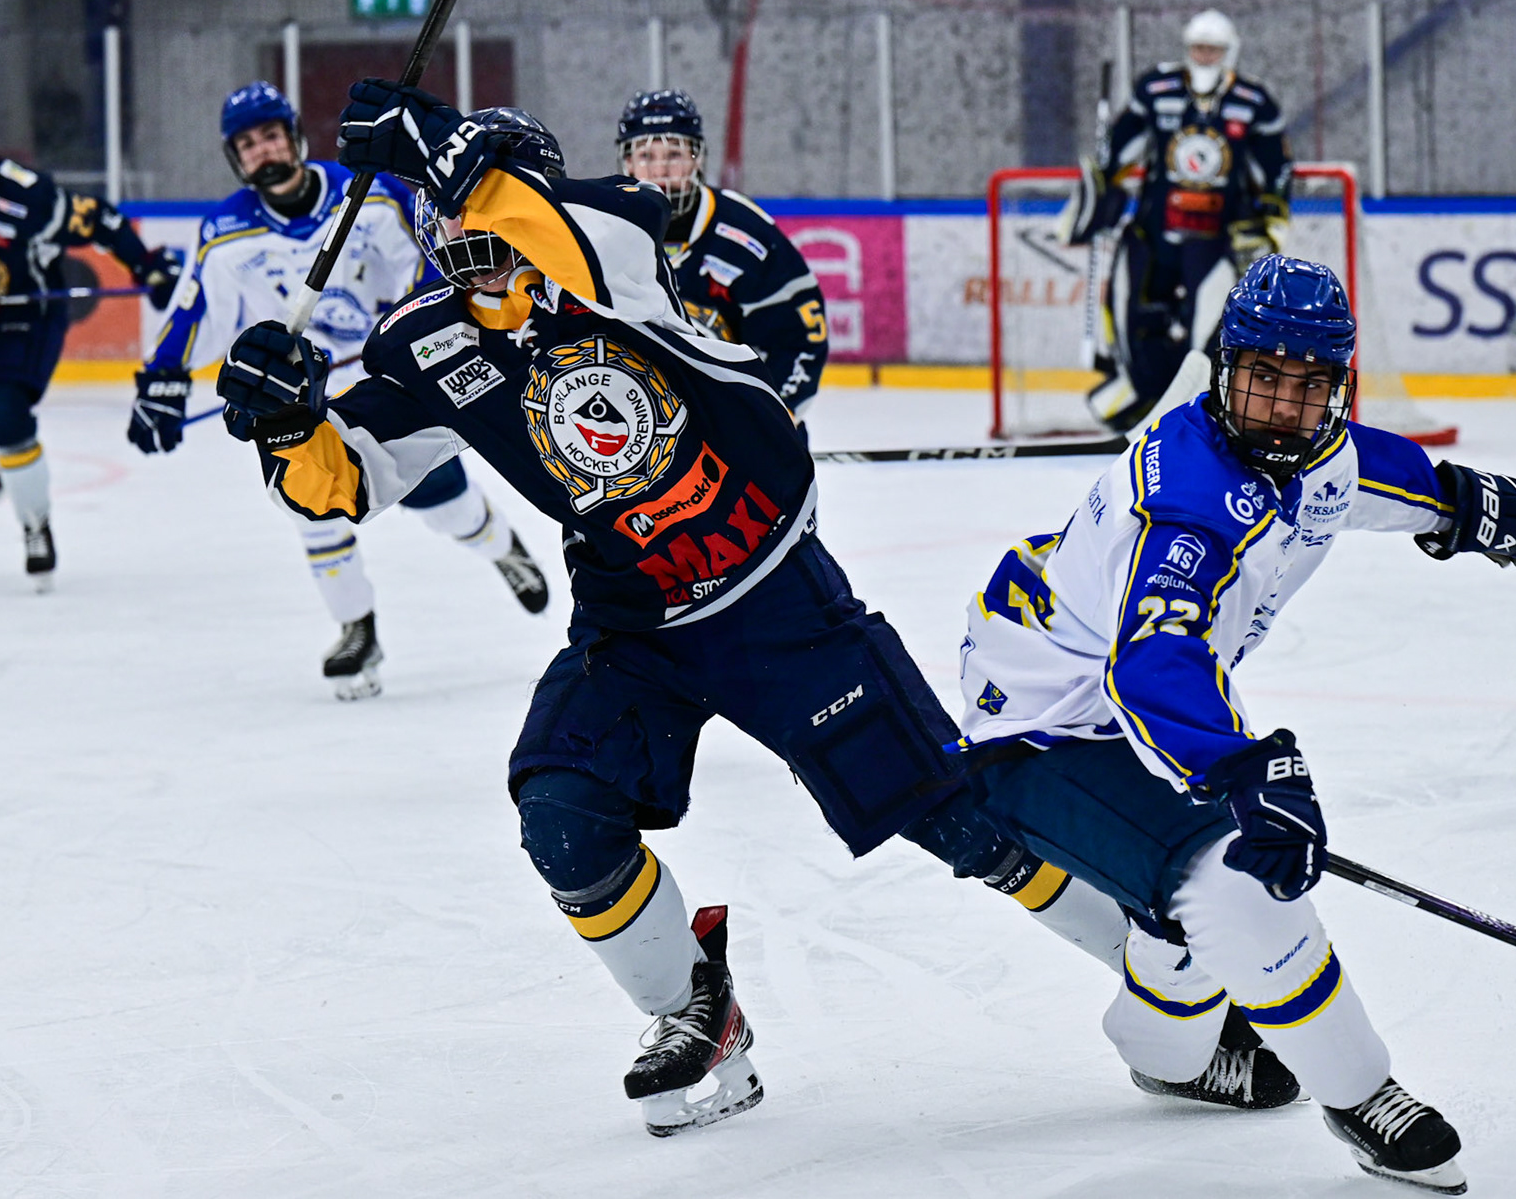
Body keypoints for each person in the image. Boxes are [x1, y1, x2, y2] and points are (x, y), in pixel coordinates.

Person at [214, 88, 1161, 1137]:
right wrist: (289, 423)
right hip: (633, 625)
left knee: (958, 816)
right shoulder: (423, 339)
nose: (466, 228)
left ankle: (1170, 978)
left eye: (483, 199)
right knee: (563, 816)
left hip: (773, 598)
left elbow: (570, 231)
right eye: (450, 209)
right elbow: (342, 486)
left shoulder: (617, 242)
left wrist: (449, 148)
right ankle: (694, 1011)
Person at [954, 255, 1516, 1193]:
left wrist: (1458, 506)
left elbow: (1368, 473)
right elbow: (1151, 663)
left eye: (1310, 385)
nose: (1284, 406)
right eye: (1264, 377)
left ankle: (1167, 1020)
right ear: (1225, 369)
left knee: (1186, 934)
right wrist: (1241, 770)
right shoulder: (1191, 503)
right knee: (1227, 880)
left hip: (1125, 697)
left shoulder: (1317, 451)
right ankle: (1361, 1094)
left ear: (1338, 388)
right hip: (1044, 723)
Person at [128, 82, 549, 699]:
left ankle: (499, 545)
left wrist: (419, 331)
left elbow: (432, 268)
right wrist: (161, 379)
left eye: (270, 135)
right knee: (313, 510)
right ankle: (357, 628)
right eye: (247, 144)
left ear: (295, 136)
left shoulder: (367, 193)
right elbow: (196, 311)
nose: (262, 150)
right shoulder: (225, 231)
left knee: (446, 505)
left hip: (391, 388)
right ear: (234, 157)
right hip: (299, 400)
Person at [0, 92, 181, 589]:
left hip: (30, 314)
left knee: (3, 414)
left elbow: (100, 219)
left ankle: (35, 524)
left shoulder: (27, 195)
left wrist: (146, 265)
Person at [1065, 9, 1292, 434]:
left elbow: (1275, 169)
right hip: (1154, 231)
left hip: (1216, 238)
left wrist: (1269, 220)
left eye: (1213, 49)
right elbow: (1120, 149)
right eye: (1198, 48)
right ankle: (1143, 399)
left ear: (1229, 51)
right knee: (1137, 316)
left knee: (1208, 325)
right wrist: (1102, 190)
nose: (1205, 56)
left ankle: (1199, 408)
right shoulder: (1157, 88)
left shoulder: (1253, 100)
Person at [615, 89, 829, 425]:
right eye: (645, 155)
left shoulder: (745, 234)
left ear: (697, 158)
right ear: (627, 162)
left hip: (741, 422)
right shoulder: (605, 233)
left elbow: (799, 336)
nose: (660, 169)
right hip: (640, 426)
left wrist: (774, 418)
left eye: (674, 154)